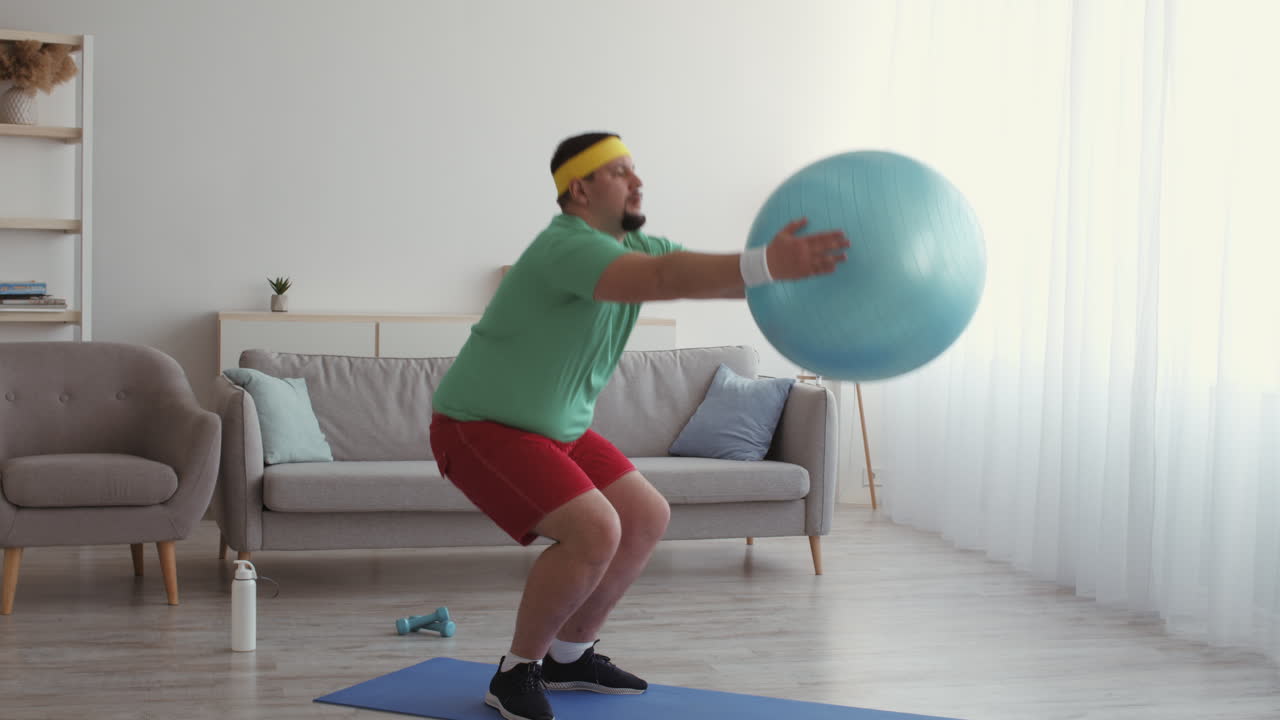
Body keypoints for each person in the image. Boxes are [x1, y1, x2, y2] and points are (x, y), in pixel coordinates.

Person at [429, 132, 848, 720]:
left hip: (557, 429)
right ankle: (516, 671)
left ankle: (569, 657)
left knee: (646, 514)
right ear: (580, 189)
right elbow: (661, 279)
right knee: (595, 529)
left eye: (635, 170)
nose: (638, 180)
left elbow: (705, 278)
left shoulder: (635, 246)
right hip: (480, 425)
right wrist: (766, 262)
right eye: (621, 172)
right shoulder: (566, 247)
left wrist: (786, 275)